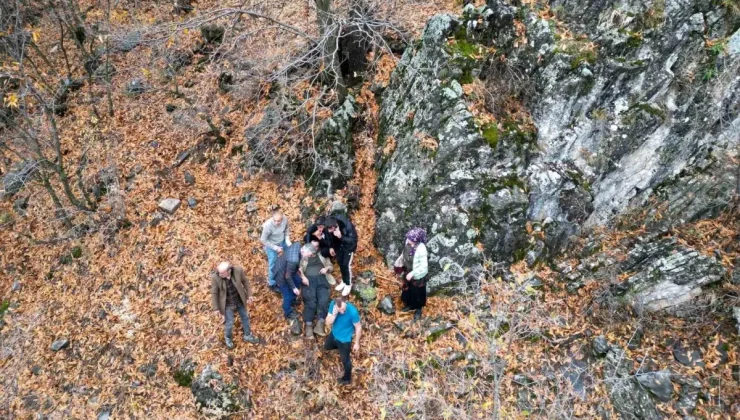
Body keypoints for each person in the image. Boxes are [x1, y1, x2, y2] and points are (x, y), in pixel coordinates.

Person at [211, 261, 260, 348]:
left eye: (222, 273)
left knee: (245, 317)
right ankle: (228, 337)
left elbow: (245, 282)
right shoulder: (215, 277)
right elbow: (214, 293)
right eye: (218, 272)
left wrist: (249, 295)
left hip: (239, 300)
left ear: (229, 271)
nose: (219, 274)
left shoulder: (238, 271)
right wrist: (216, 308)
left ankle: (247, 335)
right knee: (230, 322)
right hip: (227, 304)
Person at [299, 243, 335, 338]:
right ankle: (309, 326)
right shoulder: (304, 257)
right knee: (310, 301)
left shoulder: (322, 255)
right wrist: (303, 277)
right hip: (308, 280)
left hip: (322, 279)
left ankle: (320, 324)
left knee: (323, 300)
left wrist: (326, 268)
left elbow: (331, 266)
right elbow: (299, 269)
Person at [324, 297, 361, 385]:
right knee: (326, 347)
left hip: (345, 340)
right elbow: (328, 322)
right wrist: (334, 314)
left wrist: (357, 343)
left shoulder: (352, 312)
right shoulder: (333, 305)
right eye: (340, 309)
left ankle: (347, 379)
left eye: (344, 309)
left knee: (345, 360)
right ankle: (339, 348)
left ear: (345, 303)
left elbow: (358, 327)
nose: (342, 311)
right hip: (334, 334)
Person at [393, 227, 428, 321]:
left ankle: (418, 309)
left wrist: (413, 273)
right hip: (408, 272)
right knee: (408, 290)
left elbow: (424, 267)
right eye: (408, 238)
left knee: (418, 293)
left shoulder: (421, 249)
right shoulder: (408, 243)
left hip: (418, 275)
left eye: (411, 239)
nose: (408, 240)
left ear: (417, 240)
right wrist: (399, 264)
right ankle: (410, 305)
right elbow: (404, 254)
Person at [325, 214, 358, 296]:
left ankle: (348, 284)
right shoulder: (329, 224)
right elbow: (328, 237)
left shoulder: (347, 226)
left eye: (330, 230)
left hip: (348, 248)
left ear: (334, 227)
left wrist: (341, 237)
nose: (329, 231)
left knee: (346, 265)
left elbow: (353, 241)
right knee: (340, 264)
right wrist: (331, 247)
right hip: (338, 247)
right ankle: (344, 281)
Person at [260, 206, 292, 291]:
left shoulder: (285, 219)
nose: (277, 222)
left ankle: (285, 275)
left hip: (282, 241)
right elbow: (263, 240)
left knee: (286, 258)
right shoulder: (268, 226)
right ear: (272, 218)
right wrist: (275, 248)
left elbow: (287, 229)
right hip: (272, 245)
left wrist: (287, 239)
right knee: (272, 265)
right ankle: (272, 283)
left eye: (279, 221)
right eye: (275, 220)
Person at [274, 242, 303, 320]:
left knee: (298, 280)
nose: (309, 256)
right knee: (287, 295)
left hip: (288, 269)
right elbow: (287, 276)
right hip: (281, 276)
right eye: (309, 255)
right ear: (305, 251)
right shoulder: (294, 260)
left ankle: (293, 300)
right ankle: (288, 312)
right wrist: (294, 288)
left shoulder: (298, 245)